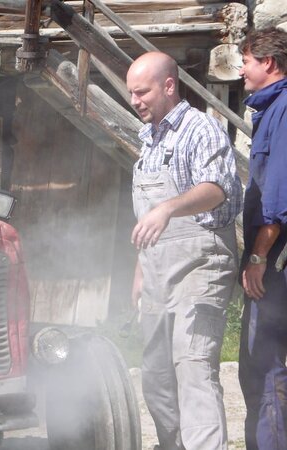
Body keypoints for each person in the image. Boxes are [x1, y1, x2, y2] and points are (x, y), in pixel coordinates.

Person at [127, 52, 242, 450]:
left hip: (201, 264)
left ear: (169, 86)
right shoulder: (150, 138)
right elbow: (148, 219)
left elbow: (217, 188)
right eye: (130, 94)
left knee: (193, 365)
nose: (135, 100)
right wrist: (141, 271)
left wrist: (168, 207)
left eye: (142, 92)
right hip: (158, 270)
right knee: (156, 374)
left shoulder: (200, 129)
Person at [237, 27, 287, 450]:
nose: (241, 70)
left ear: (267, 63)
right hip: (272, 257)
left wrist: (257, 259)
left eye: (246, 61)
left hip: (275, 262)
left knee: (264, 366)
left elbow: (278, 196)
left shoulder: (285, 108)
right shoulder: (270, 109)